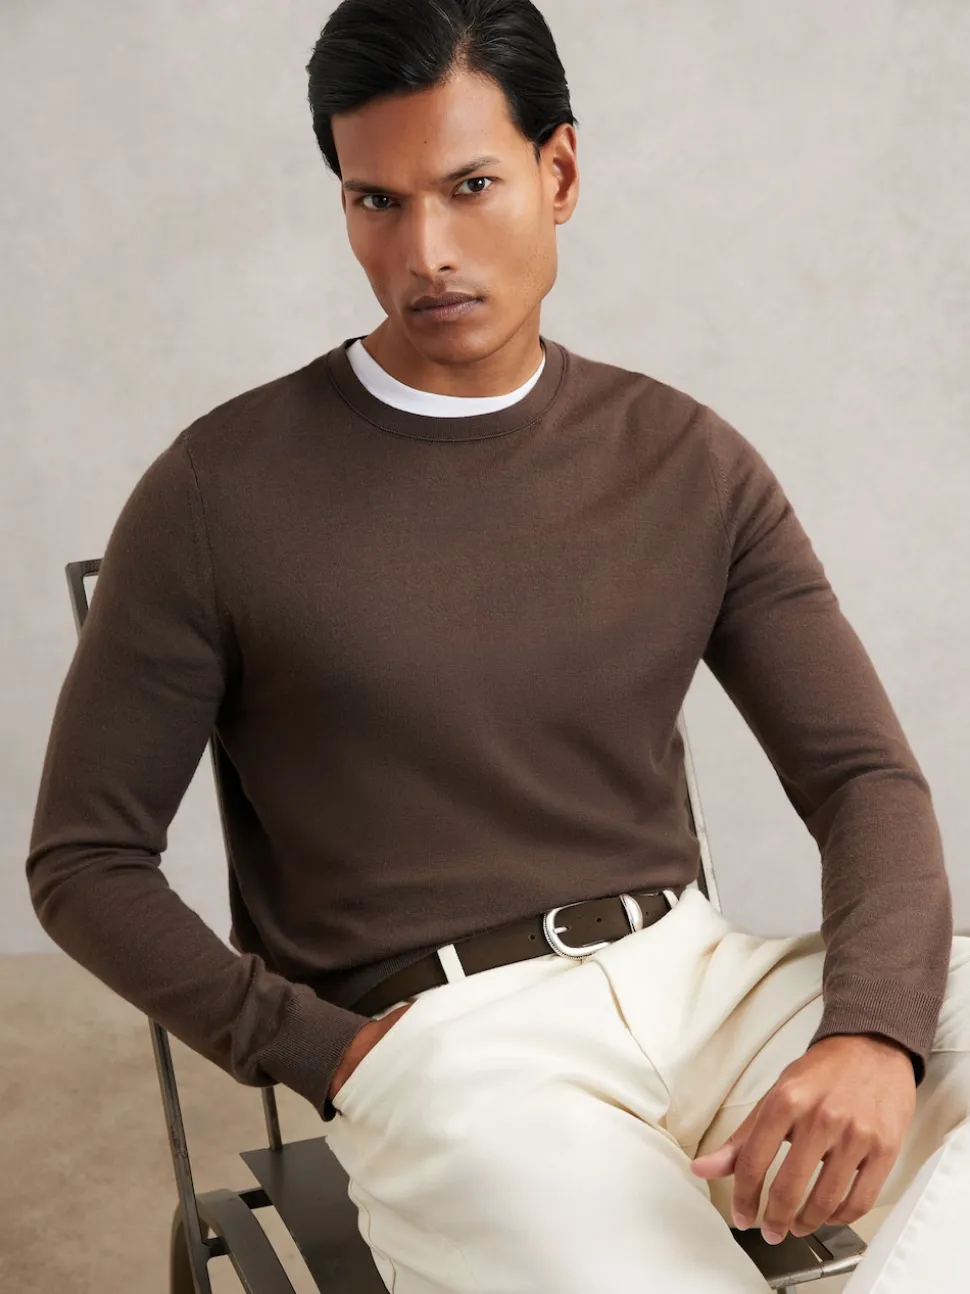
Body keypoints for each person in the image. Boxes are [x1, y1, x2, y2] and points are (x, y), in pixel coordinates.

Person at [25, 1, 969, 1290]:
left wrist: (872, 1032)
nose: (426, 253)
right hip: (455, 1052)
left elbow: (862, 777)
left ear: (558, 173)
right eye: (376, 201)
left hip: (704, 980)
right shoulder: (213, 494)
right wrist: (326, 1055)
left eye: (470, 187)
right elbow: (84, 860)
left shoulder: (686, 460)